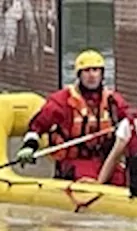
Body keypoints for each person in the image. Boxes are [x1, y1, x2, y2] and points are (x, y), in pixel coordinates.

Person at [14, 49, 129, 183]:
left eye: (95, 70)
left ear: (102, 74)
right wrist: (29, 146)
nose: (91, 75)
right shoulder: (62, 101)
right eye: (87, 71)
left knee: (122, 179)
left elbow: (129, 121)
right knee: (88, 180)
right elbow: (37, 126)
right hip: (75, 161)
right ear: (79, 75)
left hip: (105, 159)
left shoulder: (113, 101)